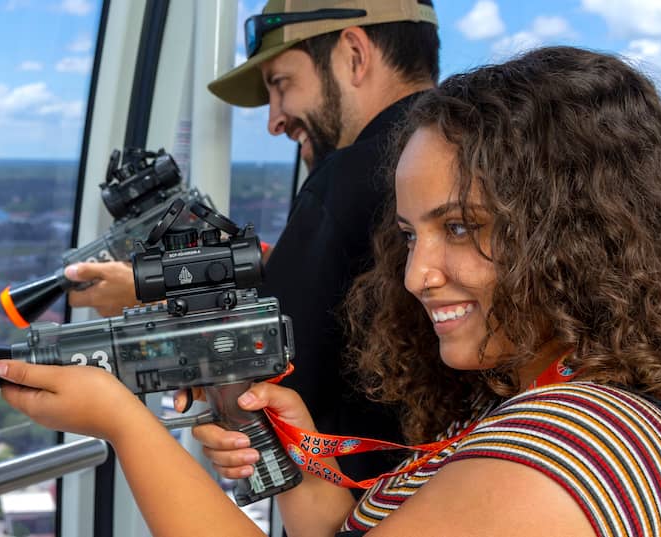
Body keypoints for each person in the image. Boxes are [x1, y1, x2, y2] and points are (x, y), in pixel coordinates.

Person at [0, 46, 661, 536]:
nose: (418, 273)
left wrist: (122, 420)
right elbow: (341, 526)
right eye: (412, 233)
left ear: (575, 231)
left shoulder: (568, 452)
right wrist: (297, 451)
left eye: (461, 226)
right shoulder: (576, 406)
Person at [63, 0, 441, 485]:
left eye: (282, 84)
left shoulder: (349, 177)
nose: (275, 121)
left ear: (354, 55)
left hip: (367, 500)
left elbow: (262, 362)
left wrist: (149, 293)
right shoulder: (465, 158)